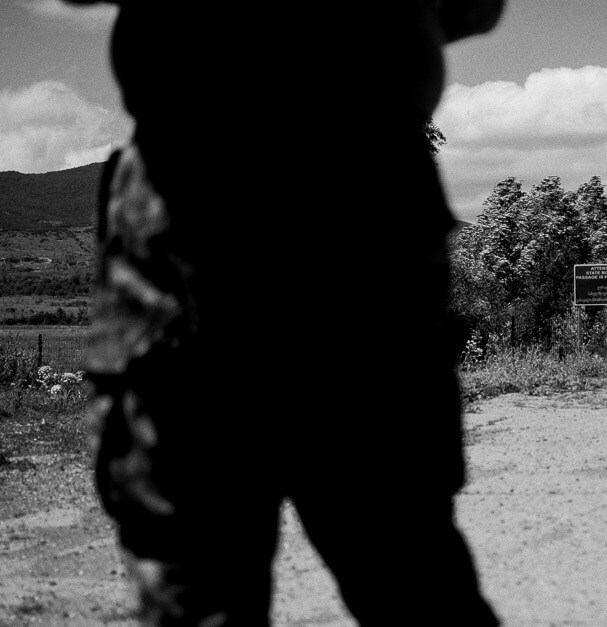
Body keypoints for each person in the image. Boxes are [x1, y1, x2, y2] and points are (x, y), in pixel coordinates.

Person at [71, 1, 505, 624]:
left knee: (200, 575)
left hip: (196, 178)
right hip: (361, 187)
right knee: (408, 567)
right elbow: (472, 6)